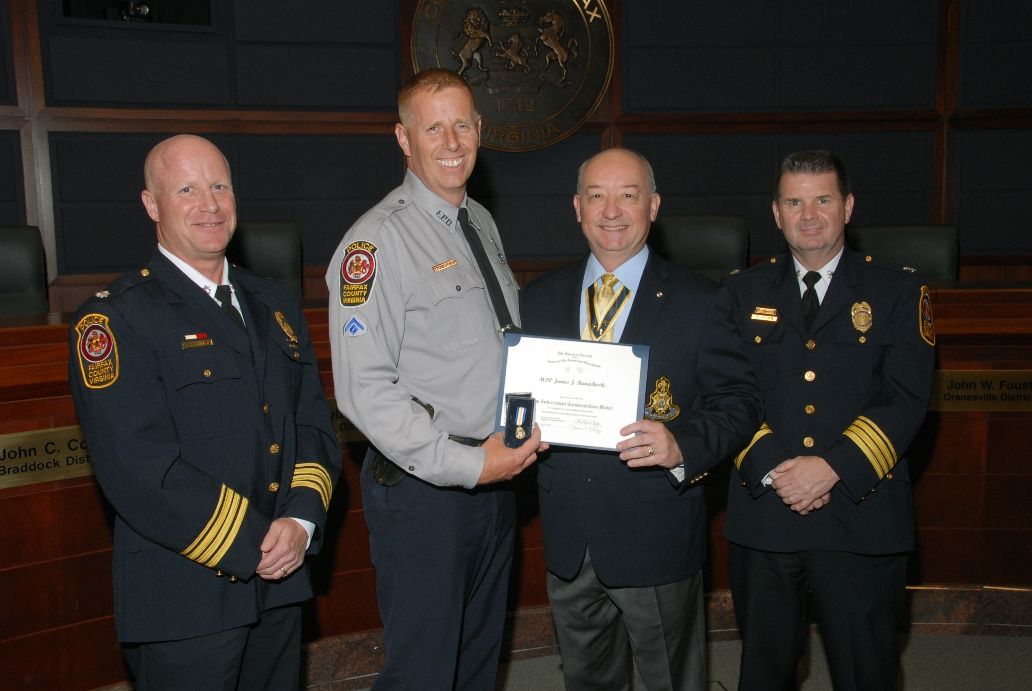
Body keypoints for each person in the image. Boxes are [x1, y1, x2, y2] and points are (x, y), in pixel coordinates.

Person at [68, 134, 341, 690]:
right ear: (152, 205)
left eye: (219, 186)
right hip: (186, 599)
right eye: (187, 189)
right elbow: (138, 469)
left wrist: (300, 520)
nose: (209, 204)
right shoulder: (116, 320)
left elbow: (312, 425)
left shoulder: (275, 303)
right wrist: (254, 543)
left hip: (281, 582)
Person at [325, 69, 545, 691]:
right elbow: (363, 392)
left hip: (496, 478)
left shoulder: (478, 222)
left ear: (480, 130)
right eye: (433, 128)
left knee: (478, 666)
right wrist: (473, 467)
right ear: (403, 138)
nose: (452, 141)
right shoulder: (373, 244)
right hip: (429, 495)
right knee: (423, 673)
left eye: (463, 125)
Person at [519, 148, 763, 691]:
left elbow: (739, 402)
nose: (612, 211)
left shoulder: (703, 301)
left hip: (656, 534)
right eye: (597, 196)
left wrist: (683, 446)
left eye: (628, 195)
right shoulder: (536, 299)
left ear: (652, 206)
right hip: (568, 539)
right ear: (577, 207)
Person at [723, 150, 936, 690]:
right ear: (775, 212)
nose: (809, 214)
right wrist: (778, 468)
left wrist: (832, 467)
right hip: (767, 513)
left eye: (823, 200)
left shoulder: (898, 292)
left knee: (868, 671)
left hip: (860, 514)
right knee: (764, 672)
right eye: (794, 201)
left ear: (848, 206)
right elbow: (725, 393)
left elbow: (906, 399)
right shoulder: (739, 293)